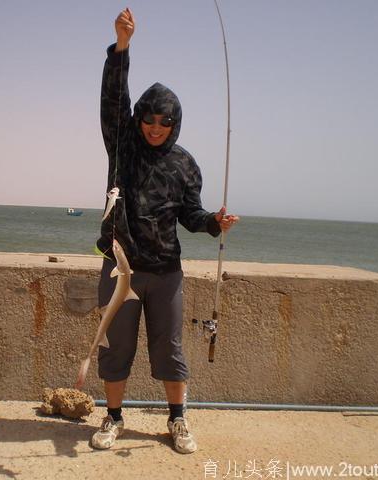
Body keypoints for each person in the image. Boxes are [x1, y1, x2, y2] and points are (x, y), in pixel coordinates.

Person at [92, 7, 239, 454]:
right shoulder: (122, 145)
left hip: (166, 272)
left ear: (175, 124)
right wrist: (122, 47)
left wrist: (214, 222)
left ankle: (178, 420)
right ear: (138, 119)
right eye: (149, 120)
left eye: (164, 123)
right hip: (120, 269)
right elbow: (113, 100)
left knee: (169, 349)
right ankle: (113, 417)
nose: (155, 129)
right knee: (115, 348)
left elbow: (191, 216)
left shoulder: (185, 164)